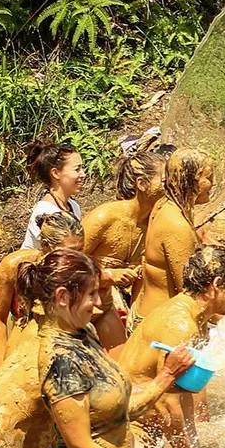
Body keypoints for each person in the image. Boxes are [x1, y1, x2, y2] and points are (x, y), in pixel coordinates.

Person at [0, 249, 195, 448]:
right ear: (63, 297)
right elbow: (80, 446)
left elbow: (107, 406)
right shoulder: (59, 358)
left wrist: (166, 377)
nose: (99, 303)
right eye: (92, 294)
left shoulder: (81, 333)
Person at [119, 245, 225, 448]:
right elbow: (166, 399)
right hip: (129, 429)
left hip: (147, 424)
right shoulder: (182, 325)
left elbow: (182, 392)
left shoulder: (195, 318)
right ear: (216, 284)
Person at [83, 138, 167, 350]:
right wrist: (106, 275)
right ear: (142, 185)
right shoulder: (105, 217)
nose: (171, 188)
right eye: (165, 181)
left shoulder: (155, 223)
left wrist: (137, 321)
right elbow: (64, 264)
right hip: (75, 307)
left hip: (106, 308)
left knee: (123, 362)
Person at [131, 148, 214, 332]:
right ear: (192, 180)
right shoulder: (176, 225)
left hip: (150, 315)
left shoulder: (165, 204)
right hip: (160, 327)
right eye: (209, 177)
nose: (213, 183)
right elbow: (190, 292)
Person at [0, 212, 86, 366]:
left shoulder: (83, 271)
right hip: (23, 350)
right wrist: (3, 369)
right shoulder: (14, 266)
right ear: (46, 246)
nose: (75, 257)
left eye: (80, 250)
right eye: (69, 250)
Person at [22, 142, 86, 251]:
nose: (83, 174)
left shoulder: (74, 206)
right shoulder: (46, 212)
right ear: (55, 173)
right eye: (77, 169)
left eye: (82, 168)